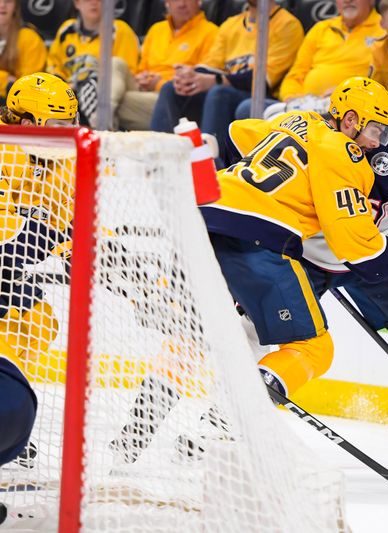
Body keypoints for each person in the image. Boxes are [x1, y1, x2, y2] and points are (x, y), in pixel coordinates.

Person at [229, 75, 388, 470]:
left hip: (373, 252)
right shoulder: (364, 142)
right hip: (314, 250)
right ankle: (223, 420)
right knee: (250, 330)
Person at [200, 77, 388, 414]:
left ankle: (153, 405)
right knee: (315, 348)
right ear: (350, 121)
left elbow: (236, 133)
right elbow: (365, 253)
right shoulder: (343, 154)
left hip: (206, 219)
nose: (379, 142)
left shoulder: (299, 121)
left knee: (204, 329)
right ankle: (241, 405)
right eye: (376, 131)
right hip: (266, 243)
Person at [0, 73, 78, 515]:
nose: (63, 136)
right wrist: (51, 238)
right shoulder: (3, 153)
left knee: (38, 321)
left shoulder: (58, 160)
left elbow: (75, 222)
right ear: (24, 120)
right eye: (53, 125)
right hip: (4, 261)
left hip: (8, 269)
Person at [151, 0, 303, 152]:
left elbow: (264, 80)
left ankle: (213, 164)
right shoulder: (231, 24)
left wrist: (216, 81)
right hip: (224, 88)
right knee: (171, 88)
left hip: (257, 95)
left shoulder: (287, 24)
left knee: (219, 93)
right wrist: (190, 76)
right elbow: (210, 65)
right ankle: (158, 156)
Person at [258, 0, 385, 120]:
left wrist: (345, 94)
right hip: (305, 105)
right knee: (249, 107)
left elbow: (384, 80)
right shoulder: (321, 28)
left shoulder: (384, 28)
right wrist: (292, 99)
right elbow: (295, 75)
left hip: (353, 110)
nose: (348, 0)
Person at [113, 0, 219, 130]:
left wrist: (158, 84)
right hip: (142, 92)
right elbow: (141, 69)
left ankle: (101, 115)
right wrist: (142, 78)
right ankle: (100, 113)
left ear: (199, 2)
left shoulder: (211, 33)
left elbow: (198, 83)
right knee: (116, 63)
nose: (181, 4)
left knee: (109, 100)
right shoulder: (156, 29)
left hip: (172, 99)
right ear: (167, 2)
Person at [46, 0, 139, 128]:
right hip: (70, 93)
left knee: (91, 80)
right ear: (77, 3)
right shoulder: (66, 30)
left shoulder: (120, 30)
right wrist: (67, 86)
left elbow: (124, 70)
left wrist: (84, 82)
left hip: (108, 93)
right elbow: (53, 65)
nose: (94, 3)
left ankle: (101, 126)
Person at [0, 0, 47, 104]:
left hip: (19, 105)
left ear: (15, 6)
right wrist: (5, 79)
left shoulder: (30, 38)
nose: (2, 5)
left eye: (8, 1)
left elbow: (28, 88)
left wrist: (9, 85)